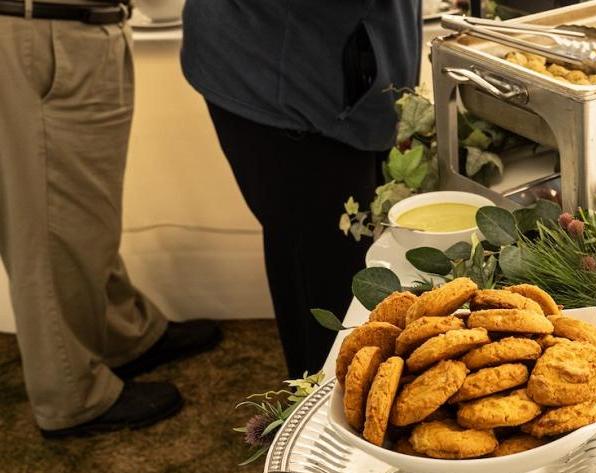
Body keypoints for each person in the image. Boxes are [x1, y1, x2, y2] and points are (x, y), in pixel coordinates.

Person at [0, 0, 221, 438]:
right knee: (48, 222)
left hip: (73, 28)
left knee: (86, 216)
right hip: (43, 30)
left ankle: (122, 334)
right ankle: (71, 393)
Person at [181, 1, 423, 378]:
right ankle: (322, 399)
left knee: (323, 251)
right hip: (287, 79)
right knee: (324, 269)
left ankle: (328, 385)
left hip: (328, 65)